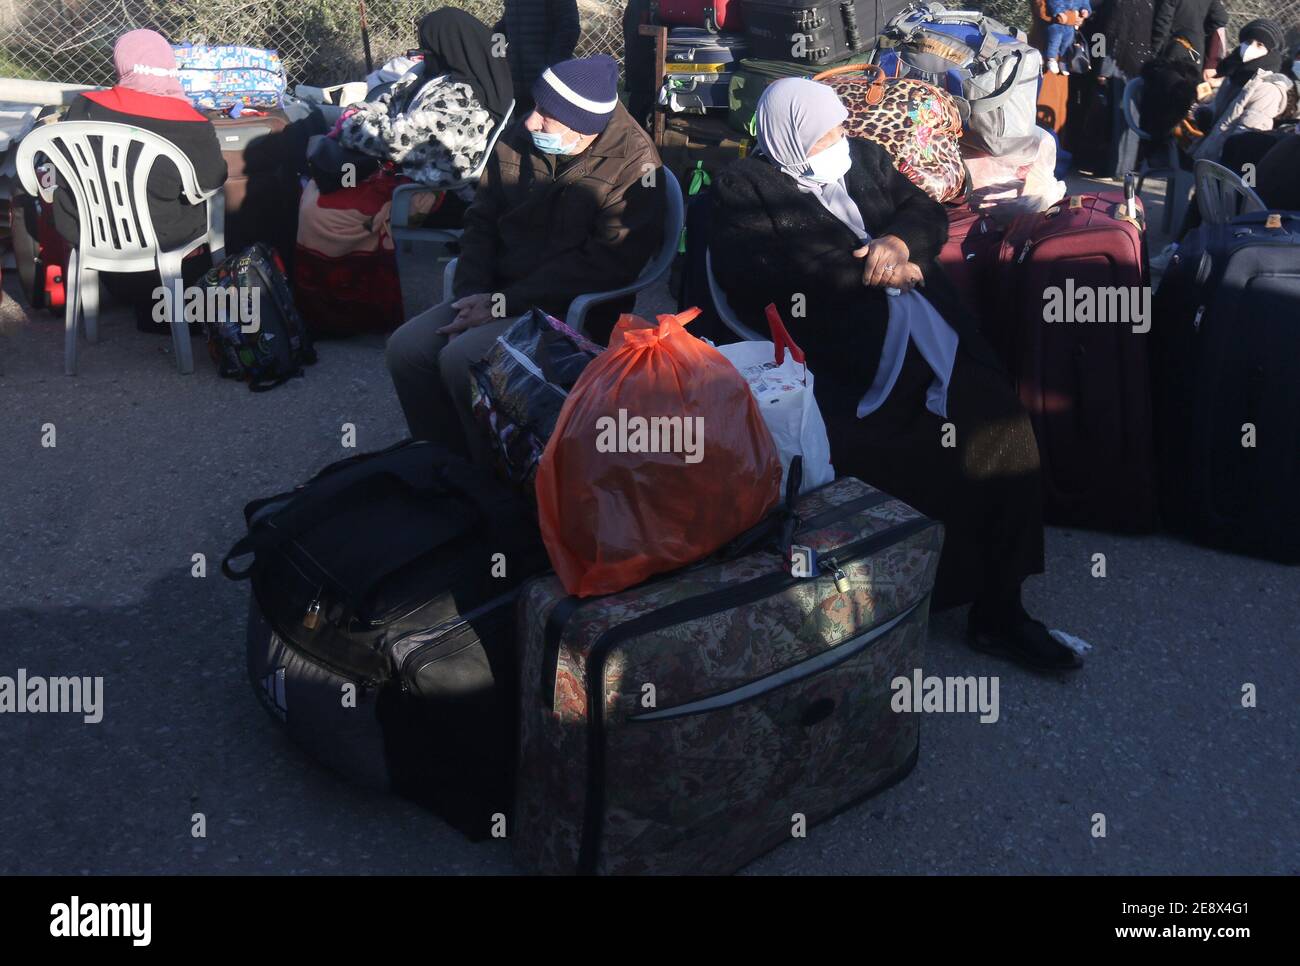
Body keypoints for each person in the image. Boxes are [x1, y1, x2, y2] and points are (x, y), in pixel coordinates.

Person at [709, 78, 1079, 671]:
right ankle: (905, 599)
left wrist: (902, 243)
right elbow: (770, 277)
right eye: (826, 134)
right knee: (906, 444)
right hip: (836, 348)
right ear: (791, 135)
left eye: (840, 129)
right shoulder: (741, 191)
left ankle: (1001, 608)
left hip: (926, 330)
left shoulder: (867, 158)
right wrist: (876, 272)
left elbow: (924, 209)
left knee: (998, 420)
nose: (840, 143)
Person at [386, 55, 667, 466]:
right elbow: (481, 219)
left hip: (563, 308)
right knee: (405, 349)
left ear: (583, 128)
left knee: (460, 360)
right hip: (495, 292)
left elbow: (605, 267)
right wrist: (473, 295)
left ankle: (491, 479)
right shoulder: (523, 137)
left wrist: (501, 304)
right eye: (536, 108)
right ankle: (440, 462)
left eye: (547, 116)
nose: (532, 121)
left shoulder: (636, 167)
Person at [296, 8, 512, 336]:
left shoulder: (465, 98)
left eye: (427, 45)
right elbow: (385, 104)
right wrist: (361, 114)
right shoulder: (428, 74)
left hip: (435, 190)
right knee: (316, 188)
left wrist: (353, 122)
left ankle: (351, 312)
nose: (421, 52)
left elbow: (398, 139)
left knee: (328, 212)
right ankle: (326, 305)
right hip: (400, 172)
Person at [52, 28, 226, 310]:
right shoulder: (193, 123)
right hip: (162, 236)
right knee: (211, 203)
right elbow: (212, 181)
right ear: (168, 65)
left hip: (90, 232)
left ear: (121, 62)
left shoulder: (84, 106)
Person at [1192, 19, 1292, 163]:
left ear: (1270, 52)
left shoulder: (1268, 88)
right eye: (1248, 41)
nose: (1250, 48)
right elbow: (1221, 112)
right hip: (1209, 157)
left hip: (1232, 167)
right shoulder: (1234, 75)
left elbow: (1249, 135)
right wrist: (1206, 113)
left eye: (1260, 45)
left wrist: (1225, 164)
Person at [495, 0, 582, 111]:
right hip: (513, 80)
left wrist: (551, 70)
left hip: (543, 83)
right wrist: (492, 54)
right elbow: (505, 25)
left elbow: (569, 29)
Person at [1151, 0, 1228, 78]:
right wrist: (1201, 33)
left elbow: (1162, 25)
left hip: (1173, 49)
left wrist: (1155, 52)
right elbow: (1221, 18)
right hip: (1195, 51)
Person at [1043, 0, 1091, 75]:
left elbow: (1084, 3)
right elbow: (1043, 11)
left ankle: (1064, 61)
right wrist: (1071, 16)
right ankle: (1051, 58)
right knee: (1055, 39)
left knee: (1067, 42)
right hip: (1054, 24)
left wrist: (1084, 11)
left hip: (1069, 26)